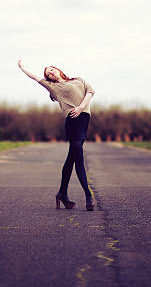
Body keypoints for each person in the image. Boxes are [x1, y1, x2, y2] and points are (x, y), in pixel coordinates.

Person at [17, 60, 96, 211]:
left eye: (52, 69)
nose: (51, 72)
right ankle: (88, 195)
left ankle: (62, 193)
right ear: (49, 79)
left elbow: (90, 92)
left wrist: (80, 107)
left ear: (58, 70)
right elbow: (35, 77)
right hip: (73, 122)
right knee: (78, 159)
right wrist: (23, 68)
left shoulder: (78, 79)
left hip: (84, 119)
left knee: (71, 159)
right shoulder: (54, 88)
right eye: (48, 73)